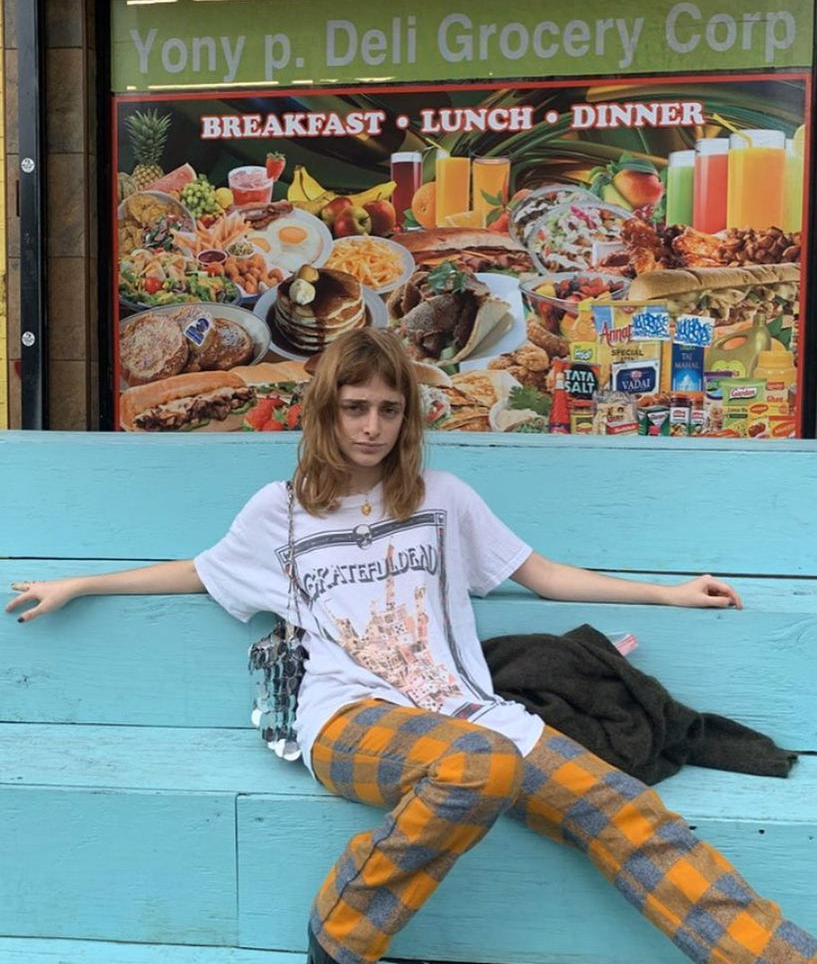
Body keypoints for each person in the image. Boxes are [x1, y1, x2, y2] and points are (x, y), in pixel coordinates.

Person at [6, 327, 815, 964]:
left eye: (388, 410)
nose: (370, 427)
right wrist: (82, 583)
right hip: (347, 719)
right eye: (354, 407)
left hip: (464, 709)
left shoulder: (444, 500)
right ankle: (342, 936)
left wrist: (664, 594)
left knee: (630, 812)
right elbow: (198, 571)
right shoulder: (279, 513)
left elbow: (542, 575)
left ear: (407, 417)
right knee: (475, 764)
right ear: (325, 412)